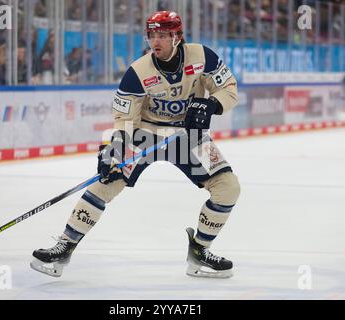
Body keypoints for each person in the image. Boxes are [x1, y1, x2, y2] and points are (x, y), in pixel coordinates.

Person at [31, 11, 240, 278]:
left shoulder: (203, 57)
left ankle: (200, 250)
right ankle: (64, 245)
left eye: (163, 35)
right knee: (106, 182)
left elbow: (230, 89)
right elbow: (124, 119)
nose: (156, 41)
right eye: (152, 35)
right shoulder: (138, 72)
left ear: (178, 36)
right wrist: (114, 150)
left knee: (228, 188)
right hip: (146, 133)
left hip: (188, 136)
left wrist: (213, 104)